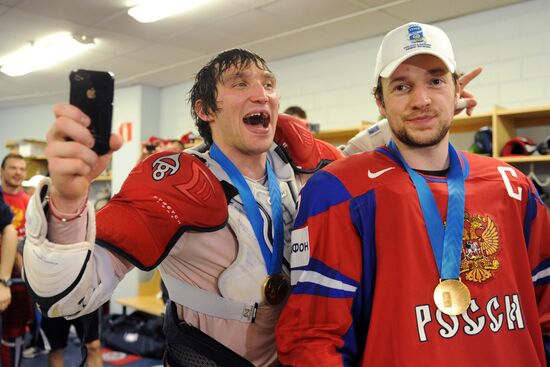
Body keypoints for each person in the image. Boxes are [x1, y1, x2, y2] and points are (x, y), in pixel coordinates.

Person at [22, 48, 480, 367]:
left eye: (268, 83)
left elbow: (356, 155)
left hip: (304, 352)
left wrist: (429, 110)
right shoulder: (172, 183)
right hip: (212, 359)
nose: (261, 93)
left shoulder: (298, 162)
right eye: (240, 84)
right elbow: (69, 298)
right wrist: (66, 200)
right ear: (205, 109)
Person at [275, 22, 549, 367]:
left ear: (457, 89)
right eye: (402, 86)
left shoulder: (512, 186)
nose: (421, 100)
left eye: (436, 81)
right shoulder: (339, 191)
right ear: (380, 101)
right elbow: (312, 338)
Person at [0, 153, 33, 367]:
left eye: (22, 168)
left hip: (19, 278)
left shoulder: (30, 203)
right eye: (13, 167)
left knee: (15, 328)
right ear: (2, 171)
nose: (18, 172)